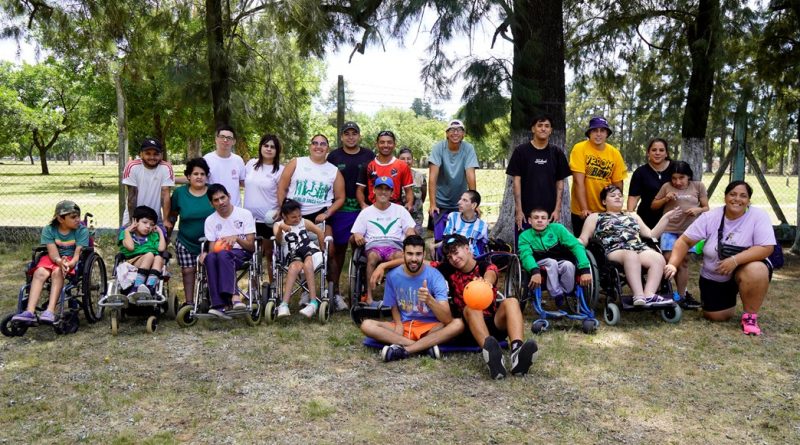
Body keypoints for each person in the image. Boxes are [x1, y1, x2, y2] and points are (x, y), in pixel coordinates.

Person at [664, 181, 776, 335]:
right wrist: (672, 264)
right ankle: (730, 297)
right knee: (716, 316)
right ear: (725, 197)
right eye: (733, 194)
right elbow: (684, 241)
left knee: (756, 270)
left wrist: (735, 260)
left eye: (743, 196)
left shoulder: (759, 215)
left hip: (746, 267)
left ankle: (750, 316)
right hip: (716, 274)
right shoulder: (710, 217)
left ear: (749, 200)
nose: (737, 199)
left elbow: (766, 247)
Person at [435, 234, 539, 379]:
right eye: (449, 257)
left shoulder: (484, 266)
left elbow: (491, 273)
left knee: (511, 301)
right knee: (471, 306)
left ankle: (516, 353)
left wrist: (485, 282)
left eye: (456, 252)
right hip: (470, 327)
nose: (454, 259)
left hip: (494, 323)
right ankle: (492, 356)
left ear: (467, 248)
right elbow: (423, 264)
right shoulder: (448, 269)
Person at [359, 235, 465, 362]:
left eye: (418, 254)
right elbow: (393, 305)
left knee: (458, 324)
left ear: (424, 255)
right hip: (405, 325)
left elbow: (447, 319)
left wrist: (429, 300)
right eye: (410, 254)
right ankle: (423, 346)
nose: (414, 259)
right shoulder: (393, 276)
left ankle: (405, 349)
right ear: (403, 254)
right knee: (366, 325)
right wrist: (398, 324)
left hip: (431, 328)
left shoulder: (436, 276)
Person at [277, 134, 346, 309]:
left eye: (323, 144)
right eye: (315, 143)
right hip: (294, 216)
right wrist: (284, 211)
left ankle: (334, 293)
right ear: (310, 146)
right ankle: (306, 291)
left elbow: (340, 197)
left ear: (327, 148)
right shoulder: (297, 163)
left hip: (318, 216)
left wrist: (328, 213)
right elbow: (282, 187)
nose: (318, 146)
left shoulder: (333, 171)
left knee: (330, 251)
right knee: (297, 251)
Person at [578, 185, 674, 306]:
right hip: (614, 249)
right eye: (613, 196)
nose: (617, 197)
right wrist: (575, 242)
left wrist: (666, 218)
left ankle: (649, 294)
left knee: (658, 258)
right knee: (631, 255)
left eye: (620, 195)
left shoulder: (632, 215)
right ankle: (638, 295)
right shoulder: (595, 217)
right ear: (604, 201)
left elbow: (651, 234)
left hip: (638, 247)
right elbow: (584, 238)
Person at [12, 201, 89, 324]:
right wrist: (59, 261)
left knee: (57, 272)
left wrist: (70, 264)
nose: (78, 220)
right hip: (53, 257)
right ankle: (30, 311)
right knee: (39, 272)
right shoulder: (49, 230)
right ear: (60, 219)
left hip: (70, 259)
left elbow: (77, 254)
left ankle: (50, 311)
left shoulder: (82, 231)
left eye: (78, 216)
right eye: (73, 217)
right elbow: (53, 253)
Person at [327, 122, 375, 307]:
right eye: (347, 134)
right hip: (341, 210)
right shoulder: (334, 156)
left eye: (354, 133)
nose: (351, 137)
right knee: (338, 251)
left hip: (363, 209)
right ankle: (335, 292)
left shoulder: (368, 155)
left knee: (361, 249)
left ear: (359, 136)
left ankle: (360, 290)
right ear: (341, 137)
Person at [351, 176, 416, 305]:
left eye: (387, 189)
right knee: (372, 257)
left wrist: (410, 232)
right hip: (374, 246)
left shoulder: (400, 210)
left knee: (400, 256)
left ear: (392, 193)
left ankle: (400, 296)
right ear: (374, 190)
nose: (383, 192)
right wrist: (357, 235)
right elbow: (356, 233)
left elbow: (410, 228)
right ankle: (369, 297)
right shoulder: (366, 212)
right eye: (380, 188)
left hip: (395, 246)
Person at [651, 161, 708, 309]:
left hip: (689, 231)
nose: (677, 182)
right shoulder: (666, 187)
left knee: (683, 262)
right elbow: (654, 205)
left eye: (681, 178)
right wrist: (666, 199)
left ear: (688, 176)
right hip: (669, 229)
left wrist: (697, 210)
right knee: (669, 259)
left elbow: (706, 207)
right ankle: (665, 289)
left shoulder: (698, 186)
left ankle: (681, 296)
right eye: (674, 178)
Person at [201, 184, 256, 319]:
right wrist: (206, 253)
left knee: (223, 255)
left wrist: (237, 238)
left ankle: (234, 297)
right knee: (210, 258)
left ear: (229, 197)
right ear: (211, 203)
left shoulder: (244, 214)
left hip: (242, 253)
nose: (221, 202)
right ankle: (218, 305)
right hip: (221, 255)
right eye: (216, 200)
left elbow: (251, 247)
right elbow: (212, 250)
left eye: (223, 197)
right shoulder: (210, 220)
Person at [506, 114, 570, 229]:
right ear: (533, 129)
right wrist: (519, 210)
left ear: (551, 130)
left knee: (549, 241)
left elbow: (560, 184)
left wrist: (557, 209)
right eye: (540, 125)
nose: (543, 129)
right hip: (526, 213)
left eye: (547, 126)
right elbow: (516, 182)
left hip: (549, 214)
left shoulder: (557, 153)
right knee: (525, 240)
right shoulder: (520, 151)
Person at [517, 208, 592, 306]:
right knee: (550, 262)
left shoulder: (557, 229)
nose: (540, 220)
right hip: (538, 263)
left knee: (568, 265)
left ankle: (566, 292)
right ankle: (556, 294)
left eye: (543, 218)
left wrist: (585, 269)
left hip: (560, 260)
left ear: (548, 221)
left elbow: (576, 245)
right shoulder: (524, 236)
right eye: (536, 218)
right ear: (530, 221)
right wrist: (534, 271)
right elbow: (526, 255)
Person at [569, 116, 628, 236]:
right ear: (589, 133)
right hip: (582, 211)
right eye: (595, 130)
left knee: (606, 244)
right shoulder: (579, 148)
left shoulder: (614, 153)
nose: (598, 134)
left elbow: (618, 184)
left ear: (607, 134)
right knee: (582, 244)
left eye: (602, 131)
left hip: (605, 211)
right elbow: (578, 182)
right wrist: (584, 209)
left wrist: (615, 207)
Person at [169, 158, 215, 306]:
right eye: (195, 174)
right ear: (188, 176)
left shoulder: (213, 191)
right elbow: (173, 216)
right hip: (186, 241)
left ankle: (210, 299)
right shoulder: (179, 193)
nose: (199, 177)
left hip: (210, 242)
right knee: (188, 271)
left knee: (209, 269)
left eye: (202, 174)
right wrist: (167, 236)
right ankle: (189, 303)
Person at [428, 119, 479, 243]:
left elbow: (470, 175)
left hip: (460, 202)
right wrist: (432, 204)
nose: (455, 133)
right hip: (441, 202)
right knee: (440, 240)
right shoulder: (438, 148)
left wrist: (474, 203)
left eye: (459, 130)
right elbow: (432, 177)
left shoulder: (468, 148)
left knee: (461, 239)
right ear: (447, 133)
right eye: (452, 130)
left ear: (463, 134)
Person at [273, 199, 326, 319]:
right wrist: (281, 228)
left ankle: (313, 302)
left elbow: (319, 231)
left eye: (299, 216)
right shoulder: (278, 225)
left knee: (308, 263)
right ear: (284, 216)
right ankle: (284, 304)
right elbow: (278, 241)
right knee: (293, 267)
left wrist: (323, 249)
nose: (297, 219)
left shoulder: (303, 222)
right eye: (293, 217)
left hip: (309, 250)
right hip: (293, 253)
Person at [243, 134, 285, 278]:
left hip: (268, 219)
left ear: (277, 151)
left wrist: (280, 211)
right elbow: (243, 182)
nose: (268, 149)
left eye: (272, 147)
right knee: (253, 255)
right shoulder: (251, 164)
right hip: (249, 219)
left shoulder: (280, 170)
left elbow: (283, 192)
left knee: (270, 253)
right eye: (266, 145)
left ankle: (273, 285)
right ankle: (254, 287)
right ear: (260, 147)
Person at [122, 137, 175, 229]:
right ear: (141, 154)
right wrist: (133, 221)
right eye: (148, 153)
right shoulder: (132, 166)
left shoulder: (166, 167)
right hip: (133, 216)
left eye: (156, 154)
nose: (152, 157)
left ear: (161, 155)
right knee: (128, 238)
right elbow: (132, 196)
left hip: (154, 217)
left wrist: (165, 220)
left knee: (159, 238)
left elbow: (165, 194)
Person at [356, 130, 413, 210]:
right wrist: (363, 204)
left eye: (389, 142)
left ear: (394, 145)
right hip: (373, 209)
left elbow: (408, 190)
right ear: (377, 145)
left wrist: (409, 203)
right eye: (382, 142)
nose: (386, 145)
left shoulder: (402, 165)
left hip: (395, 209)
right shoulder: (368, 165)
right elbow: (360, 190)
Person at [118, 206, 167, 297]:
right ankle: (136, 287)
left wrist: (160, 232)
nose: (148, 226)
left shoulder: (153, 236)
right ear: (135, 221)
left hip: (152, 263)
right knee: (150, 255)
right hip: (133, 262)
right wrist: (127, 231)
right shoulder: (126, 233)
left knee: (159, 258)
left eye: (152, 224)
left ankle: (150, 287)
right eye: (145, 222)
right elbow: (131, 247)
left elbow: (161, 249)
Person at [627, 138, 674, 229]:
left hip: (673, 221)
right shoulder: (640, 172)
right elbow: (634, 197)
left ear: (666, 153)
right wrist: (630, 215)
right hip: (647, 221)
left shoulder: (676, 168)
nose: (657, 153)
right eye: (654, 150)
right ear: (648, 153)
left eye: (661, 150)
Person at [204, 124, 246, 207]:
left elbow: (243, 182)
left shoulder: (238, 160)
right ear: (216, 139)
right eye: (222, 137)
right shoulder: (207, 159)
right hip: (214, 208)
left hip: (235, 208)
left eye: (229, 138)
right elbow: (197, 179)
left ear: (234, 141)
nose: (225, 140)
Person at [440, 190, 489, 257]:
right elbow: (446, 239)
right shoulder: (453, 217)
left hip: (472, 258)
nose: (459, 202)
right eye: (460, 199)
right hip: (453, 255)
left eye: (465, 200)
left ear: (473, 205)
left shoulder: (482, 226)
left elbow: (483, 245)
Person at [397, 147, 427, 235]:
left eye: (409, 158)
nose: (406, 161)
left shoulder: (419, 176)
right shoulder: (394, 176)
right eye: (403, 159)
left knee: (415, 241)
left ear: (412, 160)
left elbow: (423, 195)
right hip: (398, 218)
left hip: (416, 218)